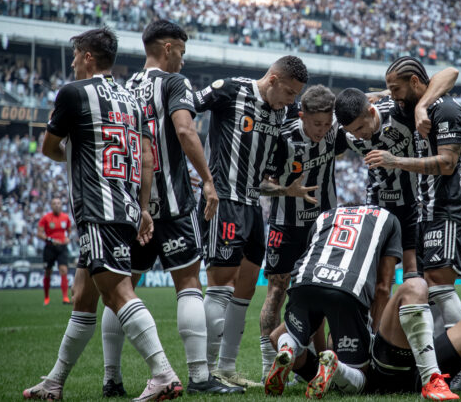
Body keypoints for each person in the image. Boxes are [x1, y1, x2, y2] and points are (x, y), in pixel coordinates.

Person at [23, 27, 182, 401]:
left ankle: (163, 374)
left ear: (88, 56)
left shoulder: (73, 93)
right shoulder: (131, 99)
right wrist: (143, 208)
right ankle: (54, 382)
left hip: (98, 208)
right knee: (83, 296)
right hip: (126, 207)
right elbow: (146, 159)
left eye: (77, 56)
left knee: (118, 291)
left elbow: (49, 148)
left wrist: (73, 153)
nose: (74, 62)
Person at [99, 20, 241, 396]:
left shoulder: (123, 88)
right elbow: (184, 130)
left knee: (121, 288)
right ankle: (198, 377)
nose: (183, 58)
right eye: (181, 50)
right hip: (175, 205)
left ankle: (111, 378)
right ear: (167, 47)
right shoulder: (175, 83)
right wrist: (208, 180)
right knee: (189, 285)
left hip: (134, 211)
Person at [193, 55, 310, 386]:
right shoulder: (230, 90)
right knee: (221, 284)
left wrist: (286, 190)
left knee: (245, 287)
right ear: (272, 80)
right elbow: (183, 113)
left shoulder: (282, 112)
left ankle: (227, 368)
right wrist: (201, 176)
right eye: (289, 92)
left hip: (253, 205)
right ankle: (203, 370)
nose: (291, 101)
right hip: (223, 200)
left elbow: (265, 180)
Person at [363, 56, 461, 391]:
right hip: (428, 210)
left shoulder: (446, 110)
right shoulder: (414, 106)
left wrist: (394, 160)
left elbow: (446, 163)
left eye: (397, 89)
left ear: (415, 82)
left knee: (440, 288)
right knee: (433, 288)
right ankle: (447, 365)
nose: (393, 96)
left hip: (448, 208)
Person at [264, 204, 451, 400]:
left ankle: (288, 348)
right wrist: (372, 336)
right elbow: (382, 288)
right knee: (361, 376)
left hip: (304, 282)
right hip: (347, 290)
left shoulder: (325, 215)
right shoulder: (389, 218)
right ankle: (336, 367)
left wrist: (320, 350)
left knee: (278, 336)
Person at [257, 85, 347, 380]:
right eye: (316, 123)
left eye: (327, 123)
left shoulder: (336, 132)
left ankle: (307, 364)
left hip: (324, 226)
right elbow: (260, 183)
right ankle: (268, 365)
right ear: (302, 115)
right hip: (287, 225)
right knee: (277, 292)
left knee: (319, 291)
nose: (323, 130)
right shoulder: (283, 139)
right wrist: (287, 189)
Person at [334, 68, 458, 278]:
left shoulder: (399, 112)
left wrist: (420, 107)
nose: (358, 135)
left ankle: (412, 310)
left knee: (413, 271)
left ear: (372, 112)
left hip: (413, 202)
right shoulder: (344, 134)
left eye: (361, 127)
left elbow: (450, 73)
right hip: (378, 203)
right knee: (382, 275)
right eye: (352, 131)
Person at [37, 196, 72, 305]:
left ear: (61, 205)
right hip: (50, 247)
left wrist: (67, 238)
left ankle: (65, 298)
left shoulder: (66, 218)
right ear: (51, 206)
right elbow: (39, 234)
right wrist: (51, 240)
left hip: (62, 247)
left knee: (63, 270)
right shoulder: (45, 218)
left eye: (58, 203)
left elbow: (69, 231)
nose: (57, 205)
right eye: (54, 203)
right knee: (48, 272)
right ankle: (46, 297)